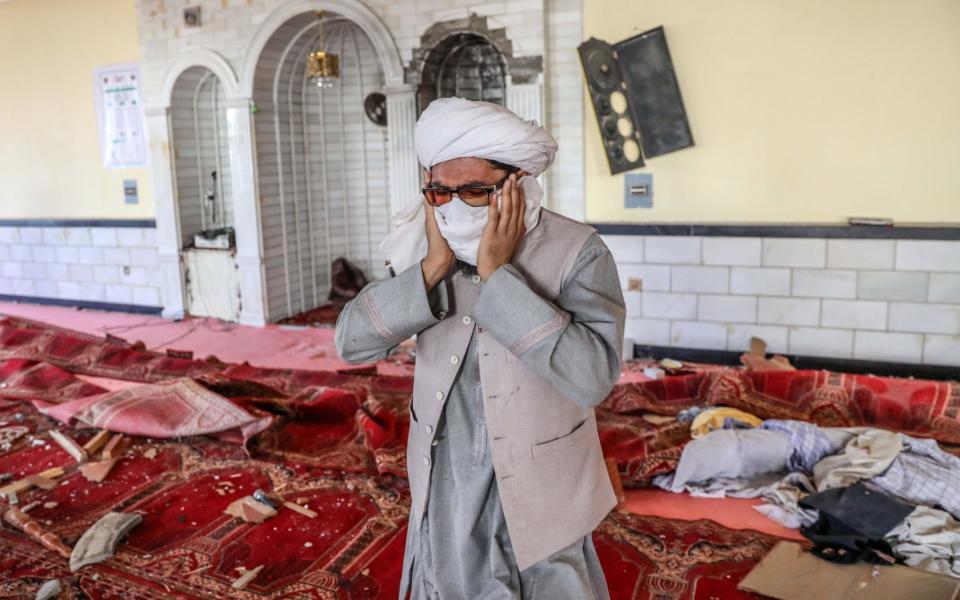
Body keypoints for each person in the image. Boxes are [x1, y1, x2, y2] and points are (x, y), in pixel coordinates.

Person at [335, 97, 625, 599]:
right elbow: (350, 344)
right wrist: (429, 270)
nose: (453, 206)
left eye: (473, 191)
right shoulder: (426, 247)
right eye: (439, 192)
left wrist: (497, 275)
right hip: (447, 476)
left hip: (542, 480)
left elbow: (592, 376)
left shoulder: (578, 250)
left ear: (515, 183)